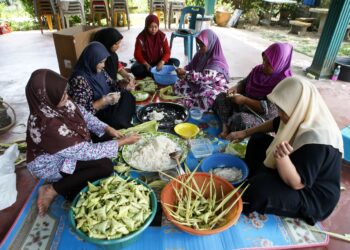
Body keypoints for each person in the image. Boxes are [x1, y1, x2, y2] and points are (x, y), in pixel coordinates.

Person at [229, 77, 343, 225]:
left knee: (256, 191)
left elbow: (297, 183)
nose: (280, 114)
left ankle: (259, 182)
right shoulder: (302, 113)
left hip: (311, 193)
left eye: (283, 111)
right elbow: (275, 123)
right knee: (258, 140)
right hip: (291, 161)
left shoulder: (318, 139)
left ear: (299, 107)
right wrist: (245, 133)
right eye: (279, 109)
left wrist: (281, 159)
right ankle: (258, 176)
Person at [25, 69, 140, 216]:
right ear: (47, 99)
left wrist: (108, 128)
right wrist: (121, 142)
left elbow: (85, 116)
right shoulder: (47, 125)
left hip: (70, 147)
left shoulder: (56, 103)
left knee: (108, 137)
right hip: (51, 164)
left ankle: (69, 184)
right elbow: (85, 152)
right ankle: (52, 189)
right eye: (62, 96)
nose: (67, 98)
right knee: (104, 166)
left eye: (66, 93)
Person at [212, 42, 293, 138]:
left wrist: (244, 100)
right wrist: (235, 89)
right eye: (264, 60)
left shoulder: (284, 83)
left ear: (280, 63)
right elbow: (244, 83)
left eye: (269, 64)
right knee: (221, 97)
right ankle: (226, 126)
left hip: (260, 117)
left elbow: (268, 110)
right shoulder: (258, 70)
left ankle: (232, 124)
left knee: (241, 120)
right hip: (243, 105)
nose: (263, 64)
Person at [68, 42, 136, 131]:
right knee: (117, 120)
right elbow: (81, 113)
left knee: (127, 95)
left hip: (109, 105)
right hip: (97, 114)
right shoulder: (79, 80)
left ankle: (123, 121)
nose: (103, 65)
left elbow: (112, 85)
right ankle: (121, 123)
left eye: (104, 62)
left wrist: (123, 84)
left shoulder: (99, 70)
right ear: (91, 60)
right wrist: (103, 101)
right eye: (100, 62)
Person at [174, 29, 230, 111]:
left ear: (210, 43)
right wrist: (183, 69)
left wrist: (185, 74)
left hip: (212, 87)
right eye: (199, 44)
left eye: (202, 44)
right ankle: (190, 100)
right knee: (178, 84)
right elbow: (190, 66)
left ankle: (191, 101)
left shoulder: (217, 62)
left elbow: (203, 78)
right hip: (199, 84)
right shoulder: (201, 53)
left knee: (207, 98)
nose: (199, 47)